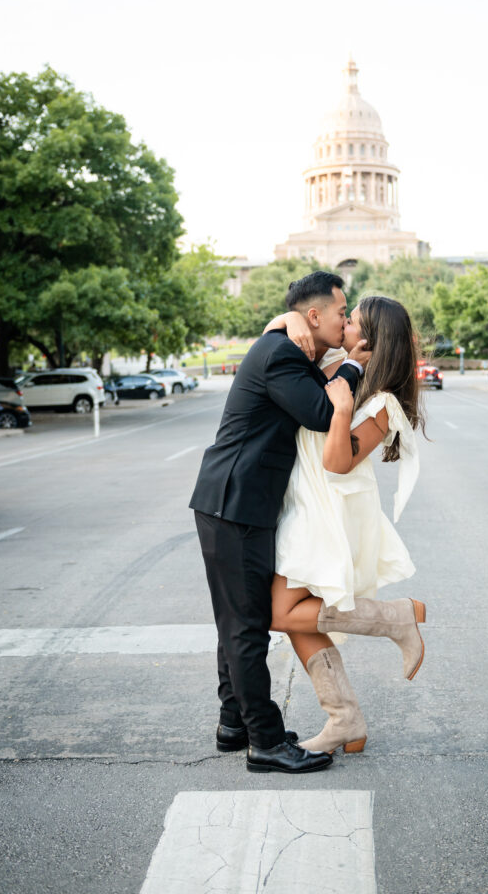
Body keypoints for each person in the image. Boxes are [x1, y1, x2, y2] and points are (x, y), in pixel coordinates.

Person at [189, 271, 369, 774]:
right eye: (341, 311)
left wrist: (319, 341)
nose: (345, 317)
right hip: (236, 501)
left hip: (236, 501)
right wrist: (354, 363)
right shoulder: (282, 351)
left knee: (237, 621)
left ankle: (235, 724)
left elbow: (315, 380)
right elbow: (319, 411)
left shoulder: (289, 344)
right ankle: (265, 741)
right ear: (315, 315)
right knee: (247, 626)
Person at [267, 295, 426, 756]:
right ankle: (345, 719)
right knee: (295, 618)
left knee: (280, 612)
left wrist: (339, 408)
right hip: (304, 503)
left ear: (371, 338)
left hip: (328, 513)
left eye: (351, 320)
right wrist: (290, 316)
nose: (342, 323)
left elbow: (337, 462)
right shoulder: (342, 364)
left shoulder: (384, 404)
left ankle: (397, 618)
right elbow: (277, 345)